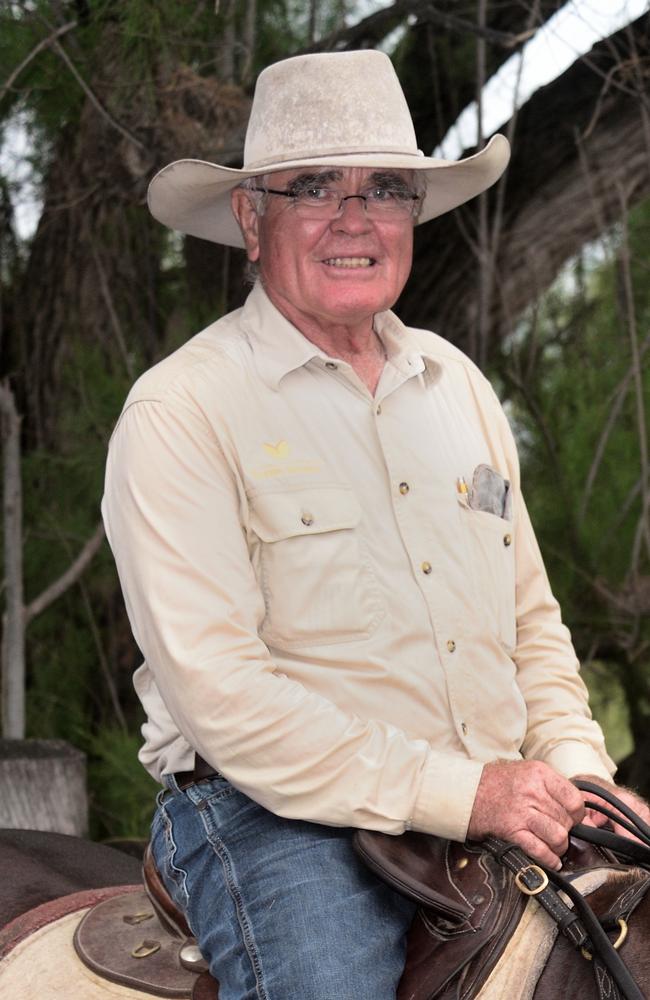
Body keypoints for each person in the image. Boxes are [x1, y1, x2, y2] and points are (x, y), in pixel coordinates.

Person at [102, 50, 650, 999]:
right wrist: (466, 792)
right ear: (249, 216)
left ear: (411, 218)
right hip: (275, 817)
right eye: (315, 187)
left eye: (386, 190)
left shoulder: (459, 389)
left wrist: (582, 776)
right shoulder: (182, 409)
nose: (354, 218)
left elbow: (531, 630)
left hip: (496, 799)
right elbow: (222, 693)